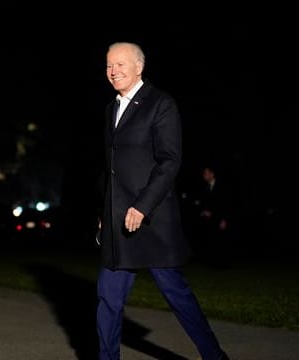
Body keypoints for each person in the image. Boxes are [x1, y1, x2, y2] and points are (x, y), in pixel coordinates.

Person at [94, 42, 229, 360]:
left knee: (177, 294)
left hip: (151, 219)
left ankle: (214, 356)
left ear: (139, 67)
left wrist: (142, 206)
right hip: (118, 220)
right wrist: (104, 210)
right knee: (108, 297)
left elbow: (169, 161)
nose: (113, 71)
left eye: (120, 65)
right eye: (108, 65)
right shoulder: (110, 108)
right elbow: (109, 167)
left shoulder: (161, 104)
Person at [192, 164, 232, 268]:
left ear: (211, 174)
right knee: (211, 241)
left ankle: (223, 264)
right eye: (203, 174)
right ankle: (212, 263)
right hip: (208, 220)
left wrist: (224, 219)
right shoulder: (204, 187)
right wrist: (202, 211)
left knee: (221, 241)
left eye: (206, 173)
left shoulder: (222, 186)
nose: (204, 176)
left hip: (219, 219)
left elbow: (226, 204)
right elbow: (201, 203)